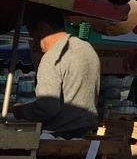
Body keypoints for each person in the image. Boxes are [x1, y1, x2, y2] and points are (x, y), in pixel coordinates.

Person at [13, 7, 100, 138]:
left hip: (59, 137)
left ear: (43, 28)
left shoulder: (52, 57)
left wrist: (21, 110)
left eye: (34, 36)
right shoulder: (87, 48)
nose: (35, 44)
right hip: (87, 133)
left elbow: (47, 107)